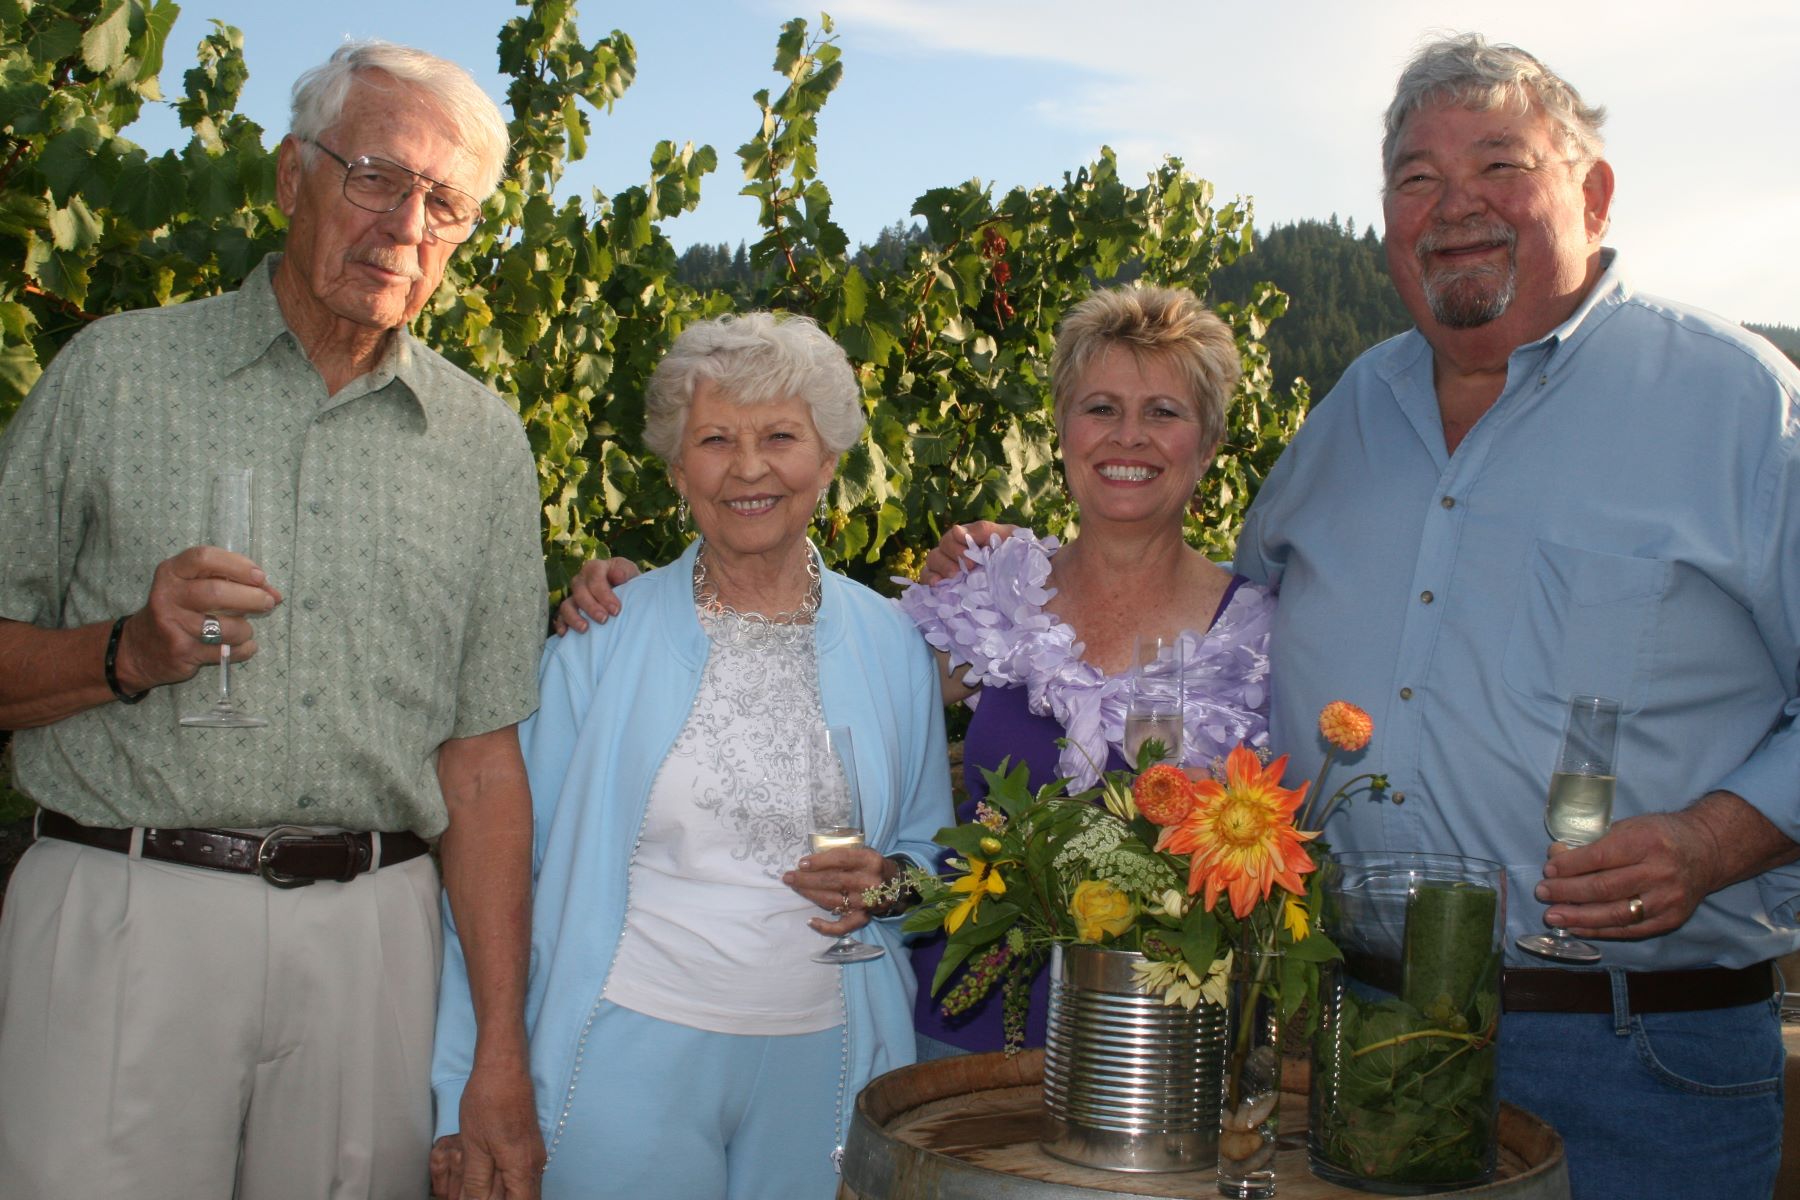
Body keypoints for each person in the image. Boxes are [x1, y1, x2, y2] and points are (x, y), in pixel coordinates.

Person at [0, 42, 547, 1199]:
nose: (407, 225)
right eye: (377, 177)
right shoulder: (112, 375)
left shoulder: (484, 440)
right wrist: (126, 654)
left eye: (444, 203)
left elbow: (484, 764)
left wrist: (501, 1045)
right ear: (293, 175)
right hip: (126, 910)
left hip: (377, 938)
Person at [558, 287, 1275, 1061]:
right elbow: (813, 661)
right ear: (1064, 431)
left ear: (1209, 444)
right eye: (1100, 407)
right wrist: (645, 600)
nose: (1128, 437)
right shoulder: (988, 594)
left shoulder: (1260, 638)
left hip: (1152, 1046)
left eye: (1164, 412)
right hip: (957, 1038)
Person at [432, 311, 952, 1200]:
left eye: (781, 436)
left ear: (830, 459)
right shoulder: (601, 639)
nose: (749, 468)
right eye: (716, 440)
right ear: (678, 470)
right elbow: (497, 869)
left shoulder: (893, 642)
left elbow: (934, 860)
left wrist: (891, 884)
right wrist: (463, 1085)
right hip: (623, 1057)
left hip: (825, 1067)